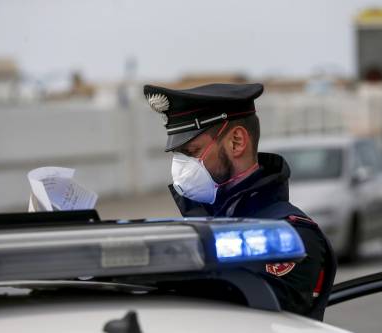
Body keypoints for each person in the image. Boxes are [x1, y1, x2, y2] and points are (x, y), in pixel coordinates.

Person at [143, 82, 336, 321]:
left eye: (191, 152)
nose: (180, 167)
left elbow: (246, 316)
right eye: (178, 155)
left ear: (236, 142)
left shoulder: (291, 235)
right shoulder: (199, 225)